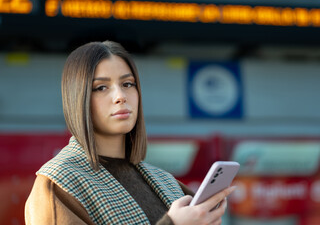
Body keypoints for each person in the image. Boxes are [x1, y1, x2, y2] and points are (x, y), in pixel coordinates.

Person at [24, 41, 235, 225]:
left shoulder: (164, 181)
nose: (120, 96)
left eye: (127, 84)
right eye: (101, 87)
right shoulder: (58, 184)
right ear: (77, 98)